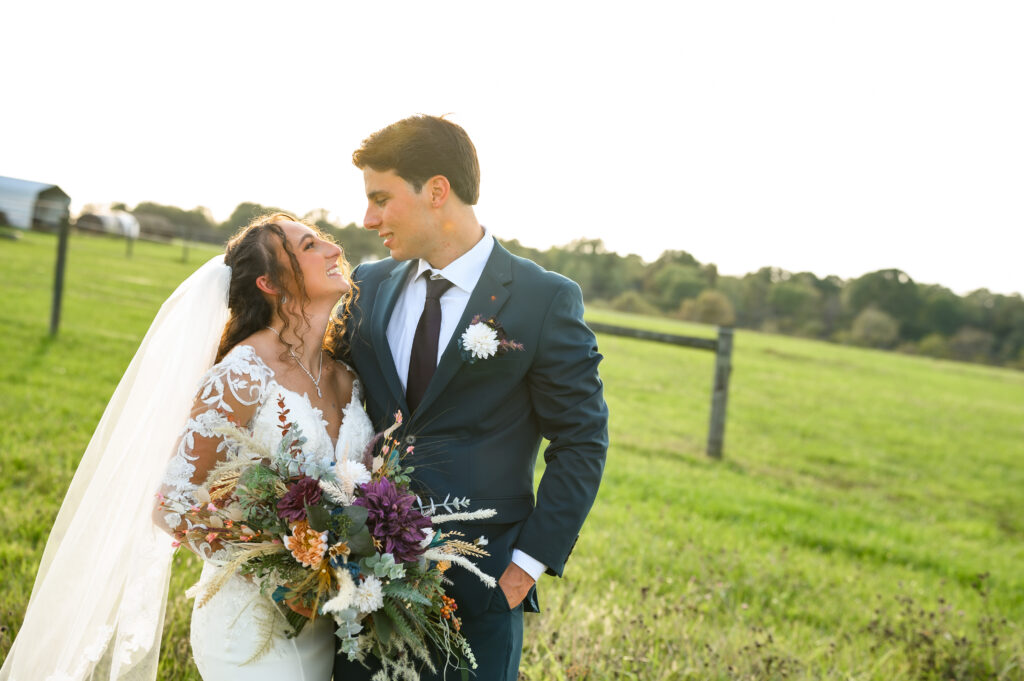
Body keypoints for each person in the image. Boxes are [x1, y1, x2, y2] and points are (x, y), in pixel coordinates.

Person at [0, 213, 372, 681]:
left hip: (331, 624)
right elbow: (170, 503)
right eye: (309, 246)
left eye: (323, 240)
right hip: (251, 627)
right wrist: (278, 570)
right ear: (270, 283)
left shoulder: (348, 378)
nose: (333, 249)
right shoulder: (243, 374)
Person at [334, 115, 609, 681]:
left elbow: (581, 441)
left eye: (381, 198)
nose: (368, 219)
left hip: (480, 594)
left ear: (437, 191)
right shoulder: (369, 284)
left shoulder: (542, 299)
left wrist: (525, 569)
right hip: (360, 587)